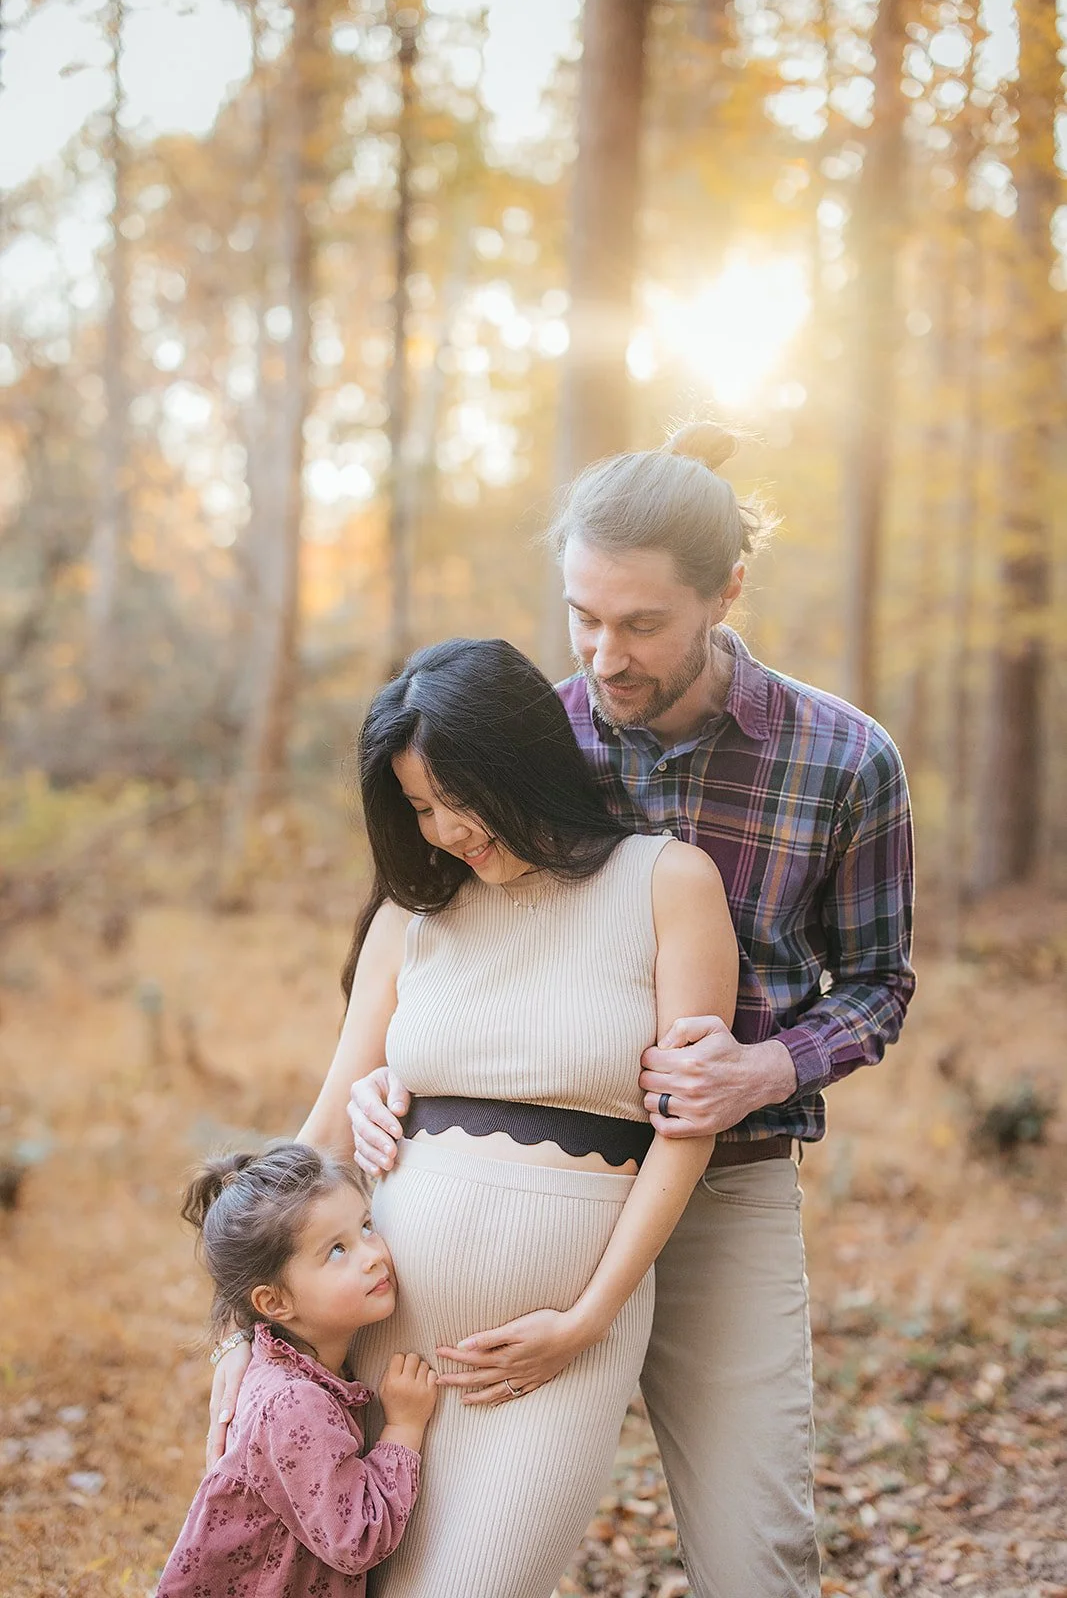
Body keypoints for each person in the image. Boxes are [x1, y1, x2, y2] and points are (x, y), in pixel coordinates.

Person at [346, 423, 916, 1598]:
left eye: (643, 624)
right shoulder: (526, 733)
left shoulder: (844, 759)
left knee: (755, 1551)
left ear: (726, 592)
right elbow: (422, 915)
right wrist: (378, 1076)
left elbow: (876, 984)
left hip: (728, 1183)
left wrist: (767, 1066)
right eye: (582, 617)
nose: (605, 657)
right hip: (524, 1184)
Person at [208, 636, 738, 1598]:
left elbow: (685, 1129)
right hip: (368, 1348)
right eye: (417, 808)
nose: (445, 829)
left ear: (522, 761)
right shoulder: (411, 921)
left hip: (549, 1358)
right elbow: (324, 1128)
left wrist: (586, 1320)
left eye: (460, 797)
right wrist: (241, 1342)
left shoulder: (666, 884)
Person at [158, 1143, 437, 1598]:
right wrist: (404, 1427)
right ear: (274, 1303)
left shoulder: (300, 1368)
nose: (371, 1254)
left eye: (367, 1226)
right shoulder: (295, 1402)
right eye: (336, 1251)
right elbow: (355, 1539)